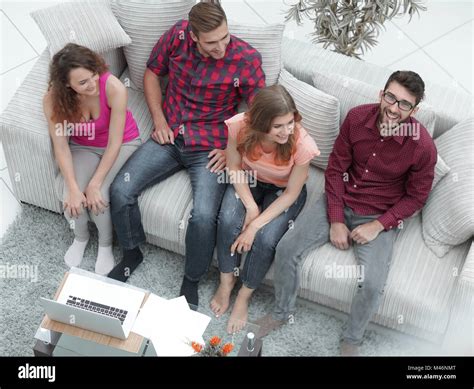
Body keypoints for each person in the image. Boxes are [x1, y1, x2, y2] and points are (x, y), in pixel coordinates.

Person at [255, 71, 437, 356]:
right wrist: (337, 219)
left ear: (415, 110)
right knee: (287, 248)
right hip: (340, 197)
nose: (393, 108)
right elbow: (337, 169)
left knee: (374, 283)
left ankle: (351, 340)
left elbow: (416, 197)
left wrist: (379, 225)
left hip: (379, 214)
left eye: (404, 104)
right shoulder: (356, 118)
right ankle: (281, 312)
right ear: (381, 93)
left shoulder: (422, 146)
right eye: (391, 97)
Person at [108, 0, 265, 307]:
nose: (220, 47)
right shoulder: (177, 36)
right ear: (193, 36)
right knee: (121, 189)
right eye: (211, 42)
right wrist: (159, 119)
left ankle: (191, 279)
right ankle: (131, 252)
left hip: (210, 147)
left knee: (205, 216)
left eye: (224, 38)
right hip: (169, 135)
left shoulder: (245, 58)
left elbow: (259, 112)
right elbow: (153, 73)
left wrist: (232, 149)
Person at [210, 85, 320, 334]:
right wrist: (250, 207)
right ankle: (227, 281)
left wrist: (255, 224)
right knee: (228, 220)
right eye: (278, 126)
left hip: (283, 191)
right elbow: (234, 167)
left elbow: (292, 193)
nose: (287, 131)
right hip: (249, 178)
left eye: (290, 122)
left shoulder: (302, 143)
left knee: (266, 239)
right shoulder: (239, 125)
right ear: (259, 123)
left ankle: (244, 296)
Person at [43, 43, 141, 275]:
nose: (93, 83)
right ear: (67, 84)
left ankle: (105, 246)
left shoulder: (114, 88)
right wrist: (74, 188)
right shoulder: (52, 100)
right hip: (82, 147)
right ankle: (81, 237)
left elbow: (115, 142)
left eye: (93, 75)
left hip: (122, 143)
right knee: (71, 194)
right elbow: (61, 147)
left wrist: (95, 184)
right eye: (83, 82)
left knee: (100, 195)